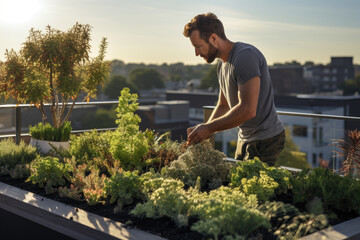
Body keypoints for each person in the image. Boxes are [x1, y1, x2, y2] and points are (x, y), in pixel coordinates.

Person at [183, 13, 285, 166]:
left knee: (255, 188)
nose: (197, 53)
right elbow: (224, 105)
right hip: (244, 138)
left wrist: (208, 129)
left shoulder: (244, 57)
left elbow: (247, 110)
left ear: (213, 39)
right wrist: (202, 132)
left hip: (266, 139)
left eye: (198, 46)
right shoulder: (222, 65)